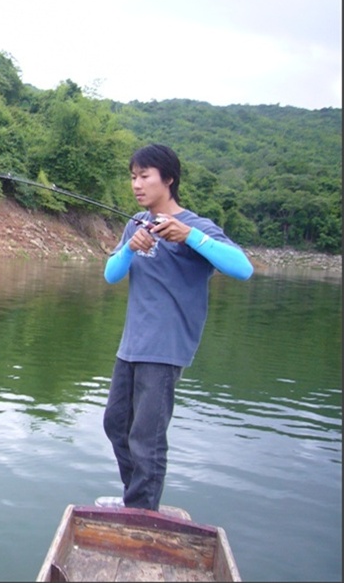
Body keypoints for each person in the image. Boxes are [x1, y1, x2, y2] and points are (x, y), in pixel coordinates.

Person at [101, 143, 253, 511]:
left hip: (166, 349)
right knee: (116, 424)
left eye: (144, 176)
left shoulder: (197, 228)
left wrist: (189, 237)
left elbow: (243, 268)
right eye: (133, 177)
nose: (136, 184)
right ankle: (136, 500)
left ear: (168, 179)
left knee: (146, 438)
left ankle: (140, 514)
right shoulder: (135, 224)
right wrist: (129, 249)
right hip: (131, 346)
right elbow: (111, 275)